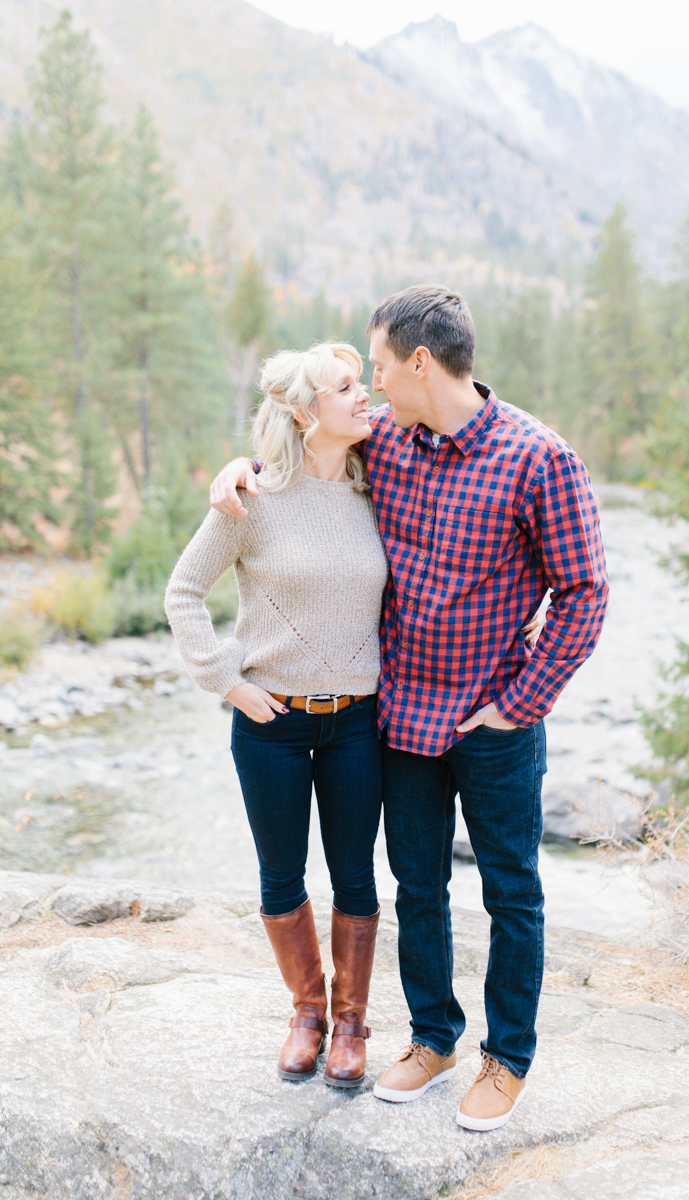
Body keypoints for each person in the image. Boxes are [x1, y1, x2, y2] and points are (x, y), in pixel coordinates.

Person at [209, 285, 609, 1131]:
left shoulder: (541, 458)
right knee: (416, 888)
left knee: (512, 894)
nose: (376, 382)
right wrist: (235, 470)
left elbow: (584, 595)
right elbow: (300, 454)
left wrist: (516, 705)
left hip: (496, 727)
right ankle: (435, 1039)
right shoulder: (383, 441)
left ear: (421, 362)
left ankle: (508, 1060)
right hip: (400, 721)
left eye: (382, 366)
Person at [164, 343, 389, 1089]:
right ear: (304, 412)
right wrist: (225, 680)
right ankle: (307, 1015)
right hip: (271, 727)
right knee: (279, 877)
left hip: (358, 722)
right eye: (347, 388)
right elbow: (184, 592)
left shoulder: (381, 484)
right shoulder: (250, 499)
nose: (366, 397)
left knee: (357, 876)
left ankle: (353, 1025)